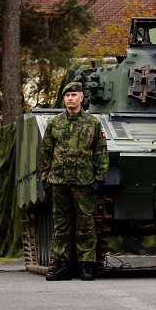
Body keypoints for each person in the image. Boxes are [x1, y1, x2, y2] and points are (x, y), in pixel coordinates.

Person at [38, 82, 108, 281]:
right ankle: (63, 266)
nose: (70, 98)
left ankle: (87, 266)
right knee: (61, 225)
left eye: (74, 95)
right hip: (59, 181)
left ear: (81, 98)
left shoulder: (93, 123)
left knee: (86, 223)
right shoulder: (55, 123)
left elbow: (100, 152)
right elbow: (45, 152)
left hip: (83, 181)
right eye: (67, 95)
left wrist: (99, 178)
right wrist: (45, 177)